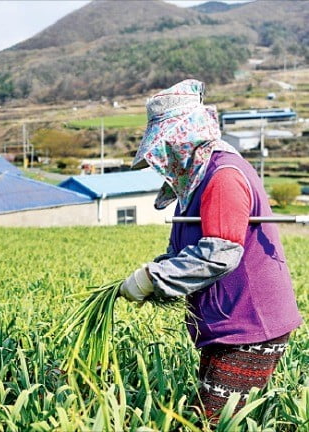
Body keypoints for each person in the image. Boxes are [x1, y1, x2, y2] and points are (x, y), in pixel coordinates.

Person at [119, 79, 302, 422]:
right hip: (230, 322)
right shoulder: (200, 177)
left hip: (249, 325)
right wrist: (157, 272)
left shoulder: (223, 176)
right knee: (215, 418)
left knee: (209, 422)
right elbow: (189, 249)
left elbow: (219, 253)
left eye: (167, 149)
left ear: (183, 140)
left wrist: (151, 280)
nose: (165, 159)